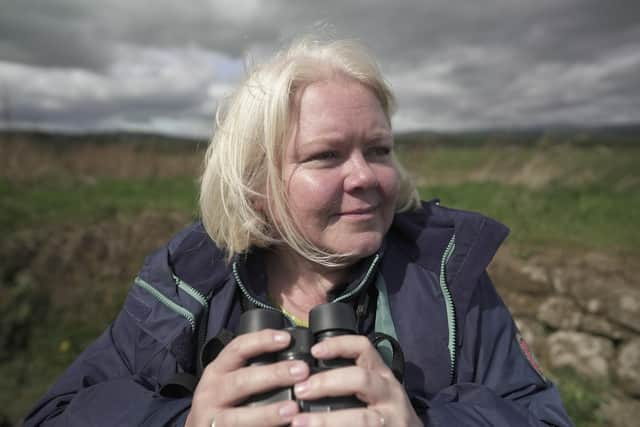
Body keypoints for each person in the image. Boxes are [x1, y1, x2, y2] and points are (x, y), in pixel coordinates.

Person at [25, 36, 574, 427]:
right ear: (256, 181)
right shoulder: (184, 285)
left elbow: (542, 416)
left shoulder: (450, 279)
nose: (365, 177)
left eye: (378, 150)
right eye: (326, 155)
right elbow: (54, 414)